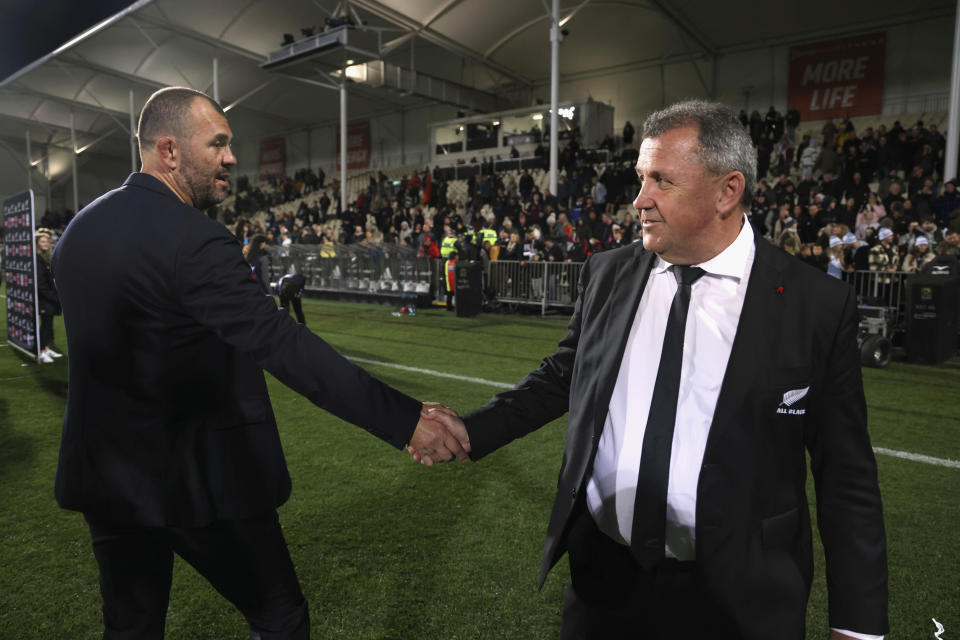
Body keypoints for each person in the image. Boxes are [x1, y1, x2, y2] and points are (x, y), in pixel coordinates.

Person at [422, 101, 887, 639]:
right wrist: (472, 429)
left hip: (738, 599)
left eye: (662, 181)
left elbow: (846, 475)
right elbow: (566, 374)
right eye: (642, 178)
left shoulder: (815, 305)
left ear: (727, 191)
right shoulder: (609, 271)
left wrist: (858, 626)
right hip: (605, 585)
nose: (639, 200)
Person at [50, 87, 468, 640]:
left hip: (105, 477)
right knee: (280, 618)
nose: (230, 158)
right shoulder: (194, 239)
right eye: (217, 144)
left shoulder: (78, 232)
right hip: (198, 480)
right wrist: (406, 420)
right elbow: (282, 343)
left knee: (130, 627)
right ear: (169, 152)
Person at [35, 229, 63, 363]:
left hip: (49, 298)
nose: (45, 244)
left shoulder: (45, 258)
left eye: (47, 241)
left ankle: (46, 348)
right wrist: (54, 297)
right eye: (42, 241)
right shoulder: (38, 259)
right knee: (45, 325)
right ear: (37, 243)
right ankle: (41, 351)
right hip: (44, 299)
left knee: (49, 324)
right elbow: (41, 285)